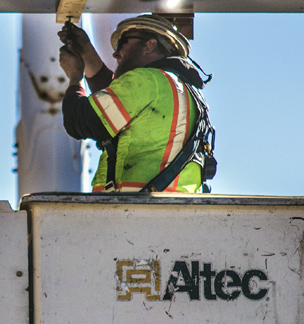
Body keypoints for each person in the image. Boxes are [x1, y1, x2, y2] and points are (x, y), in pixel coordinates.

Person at [58, 14, 215, 193]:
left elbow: (80, 120)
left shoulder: (147, 80)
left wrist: (75, 75)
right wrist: (86, 51)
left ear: (150, 45)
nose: (116, 53)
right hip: (169, 208)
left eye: (123, 42)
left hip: (134, 209)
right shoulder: (179, 87)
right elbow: (115, 103)